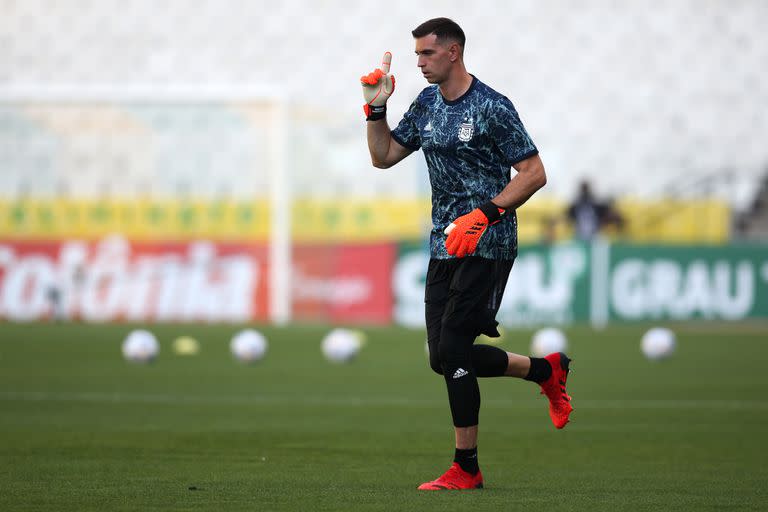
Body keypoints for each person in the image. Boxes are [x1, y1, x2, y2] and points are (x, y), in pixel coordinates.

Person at [360, 17, 573, 491]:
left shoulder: (493, 107)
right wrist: (376, 112)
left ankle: (467, 467)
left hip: (488, 242)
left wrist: (487, 214)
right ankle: (544, 370)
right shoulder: (427, 103)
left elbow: (533, 173)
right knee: (442, 357)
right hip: (443, 243)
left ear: (453, 52)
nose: (418, 63)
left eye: (427, 54)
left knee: (454, 346)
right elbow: (385, 156)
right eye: (416, 54)